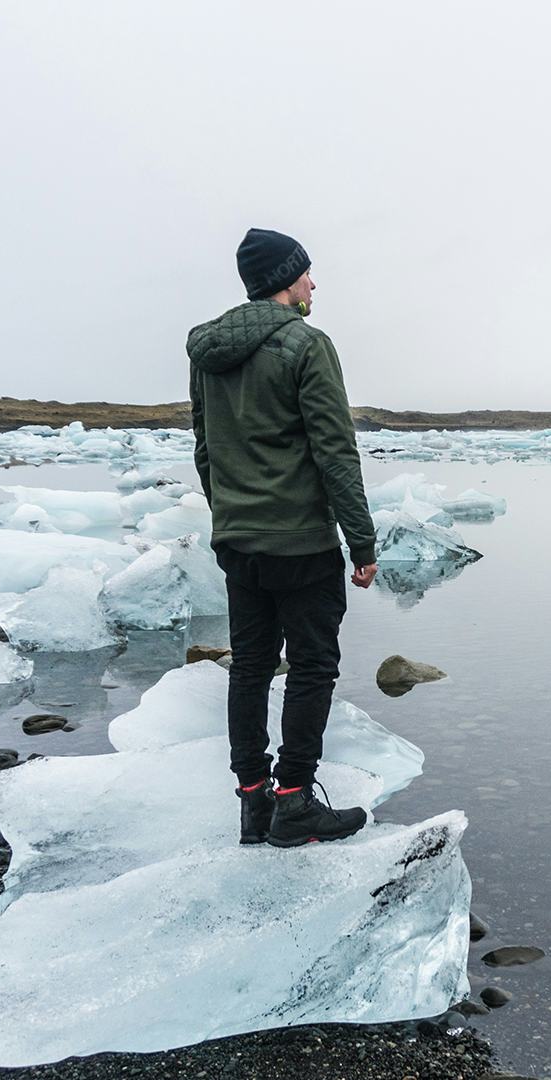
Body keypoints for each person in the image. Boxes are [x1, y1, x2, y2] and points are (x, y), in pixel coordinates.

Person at [185, 227, 379, 848]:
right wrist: (362, 541)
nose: (314, 283)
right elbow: (335, 452)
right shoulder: (306, 344)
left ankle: (253, 803)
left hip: (240, 542)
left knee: (250, 668)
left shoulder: (207, 353)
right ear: (284, 281)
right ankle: (293, 801)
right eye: (306, 274)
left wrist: (231, 515)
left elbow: (206, 448)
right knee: (313, 666)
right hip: (301, 544)